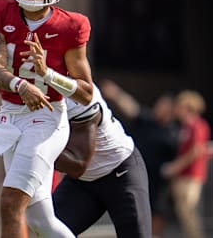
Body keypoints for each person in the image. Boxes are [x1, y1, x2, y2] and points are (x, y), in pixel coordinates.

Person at [0, 0, 94, 238]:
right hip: (10, 116)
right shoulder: (0, 11)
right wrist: (21, 84)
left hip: (45, 120)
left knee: (10, 203)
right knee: (40, 221)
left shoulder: (71, 26)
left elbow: (85, 93)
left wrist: (48, 75)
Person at [52, 83, 152, 237]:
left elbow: (77, 164)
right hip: (83, 182)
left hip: (120, 172)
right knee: (47, 232)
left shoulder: (77, 95)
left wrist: (29, 147)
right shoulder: (30, 90)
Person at [99, 79, 179, 238]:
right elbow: (131, 107)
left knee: (156, 219)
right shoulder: (147, 120)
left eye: (163, 105)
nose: (159, 107)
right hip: (136, 177)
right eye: (159, 103)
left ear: (171, 110)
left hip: (159, 185)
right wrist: (116, 93)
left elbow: (177, 160)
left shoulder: (173, 133)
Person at [160, 89, 210, 238]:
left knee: (189, 211)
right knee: (183, 213)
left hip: (192, 175)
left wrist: (174, 167)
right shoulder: (185, 127)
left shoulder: (198, 125)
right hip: (182, 176)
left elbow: (196, 151)